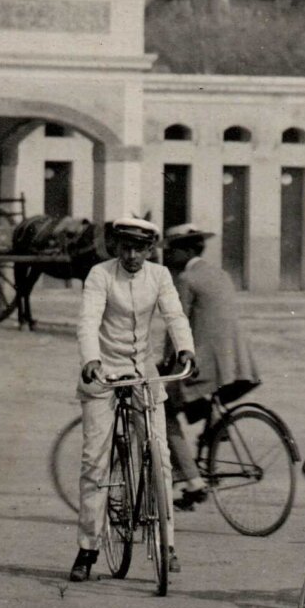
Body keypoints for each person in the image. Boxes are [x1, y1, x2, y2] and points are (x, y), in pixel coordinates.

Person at [69, 216, 196, 583]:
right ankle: (88, 547)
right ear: (115, 247)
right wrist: (90, 359)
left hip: (144, 372)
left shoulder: (160, 277)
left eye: (140, 248)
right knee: (95, 460)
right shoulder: (100, 275)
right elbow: (88, 321)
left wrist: (186, 348)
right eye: (125, 247)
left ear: (149, 249)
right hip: (104, 373)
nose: (132, 255)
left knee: (162, 456)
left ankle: (167, 543)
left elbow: (174, 314)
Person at [161, 223, 260, 509]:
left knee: (162, 409)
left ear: (189, 250)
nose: (167, 255)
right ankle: (213, 430)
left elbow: (176, 327)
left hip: (208, 367)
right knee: (193, 402)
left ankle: (193, 480)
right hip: (238, 366)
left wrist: (166, 361)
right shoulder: (220, 274)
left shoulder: (186, 278)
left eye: (173, 249)